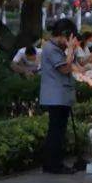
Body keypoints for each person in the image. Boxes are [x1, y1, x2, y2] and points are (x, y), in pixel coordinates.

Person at [39, 19, 81, 175]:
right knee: (56, 131)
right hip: (55, 96)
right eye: (69, 39)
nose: (69, 42)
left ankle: (53, 163)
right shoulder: (51, 49)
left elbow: (75, 64)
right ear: (63, 35)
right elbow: (65, 68)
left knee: (58, 130)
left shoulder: (55, 48)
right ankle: (53, 164)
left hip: (60, 96)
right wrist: (70, 50)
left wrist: (71, 51)